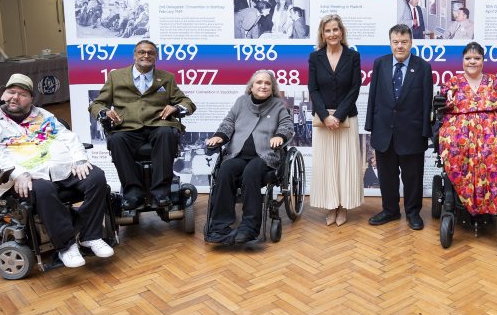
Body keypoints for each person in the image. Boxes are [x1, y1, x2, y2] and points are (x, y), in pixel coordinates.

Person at [0, 73, 114, 268]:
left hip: (60, 168)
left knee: (96, 177)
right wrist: (17, 172)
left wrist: (79, 158)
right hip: (25, 175)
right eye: (11, 92)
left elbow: (68, 137)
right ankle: (66, 246)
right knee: (43, 189)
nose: (15, 97)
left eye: (22, 94)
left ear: (31, 99)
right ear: (3, 94)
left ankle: (90, 236)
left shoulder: (42, 115)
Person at [89, 40, 196, 210]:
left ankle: (161, 192)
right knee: (116, 139)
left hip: (158, 124)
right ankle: (133, 193)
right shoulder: (116, 77)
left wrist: (176, 107)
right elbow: (97, 104)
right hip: (127, 127)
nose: (146, 55)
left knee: (166, 133)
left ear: (156, 56)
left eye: (150, 53)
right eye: (142, 52)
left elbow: (187, 102)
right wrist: (104, 112)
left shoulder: (167, 78)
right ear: (135, 55)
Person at [204, 70, 294, 245]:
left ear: (272, 88)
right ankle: (218, 226)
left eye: (267, 83)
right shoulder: (241, 102)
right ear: (251, 87)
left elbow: (287, 125)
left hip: (265, 156)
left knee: (251, 171)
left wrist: (280, 136)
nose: (263, 86)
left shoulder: (278, 105)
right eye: (259, 82)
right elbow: (228, 122)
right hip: (238, 154)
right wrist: (220, 136)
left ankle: (249, 228)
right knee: (225, 170)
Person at [365, 24, 433, 229]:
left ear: (411, 43)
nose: (400, 46)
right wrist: (370, 125)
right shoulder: (380, 64)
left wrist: (425, 132)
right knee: (387, 176)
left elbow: (427, 102)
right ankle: (390, 210)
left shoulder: (423, 67)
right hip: (384, 131)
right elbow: (373, 96)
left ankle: (413, 212)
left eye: (404, 42)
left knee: (412, 177)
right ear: (390, 43)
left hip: (412, 133)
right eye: (395, 42)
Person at [438, 42, 497, 216]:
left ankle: (490, 202)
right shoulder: (453, 82)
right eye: (468, 58)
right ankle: (465, 198)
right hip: (459, 125)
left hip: (492, 126)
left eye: (477, 58)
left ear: (483, 60)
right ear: (462, 60)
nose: (472, 62)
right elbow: (444, 101)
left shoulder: (495, 81)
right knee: (454, 146)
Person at [307, 14, 363, 226]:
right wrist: (325, 116)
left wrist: (337, 116)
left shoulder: (353, 56)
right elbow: (313, 88)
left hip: (346, 118)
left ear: (342, 32)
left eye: (335, 29)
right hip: (323, 120)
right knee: (327, 164)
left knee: (345, 164)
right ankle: (331, 206)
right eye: (328, 30)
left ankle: (343, 206)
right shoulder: (315, 57)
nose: (332, 34)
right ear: (323, 34)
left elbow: (354, 88)